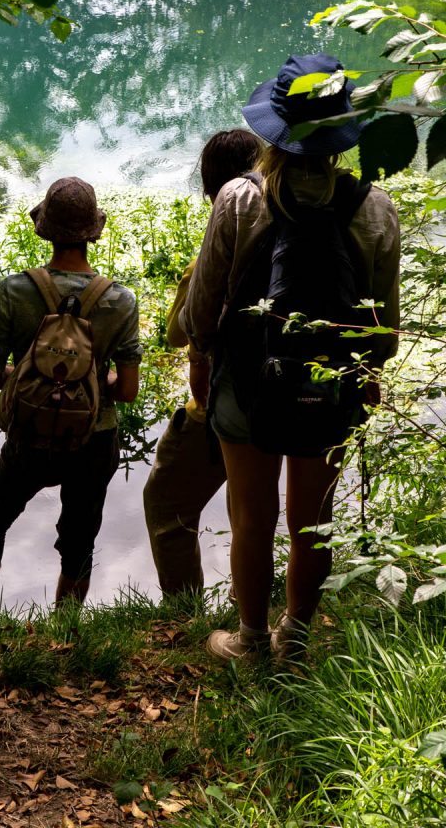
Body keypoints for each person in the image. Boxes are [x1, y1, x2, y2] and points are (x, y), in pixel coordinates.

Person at [180, 54, 400, 661]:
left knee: (252, 517)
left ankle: (249, 637)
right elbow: (382, 324)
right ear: (341, 133)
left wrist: (201, 361)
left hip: (248, 382)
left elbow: (203, 308)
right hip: (333, 384)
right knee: (312, 523)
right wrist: (368, 374)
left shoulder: (238, 199)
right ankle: (294, 639)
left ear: (273, 129)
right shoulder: (375, 207)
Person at [0, 176, 142, 608]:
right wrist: (91, 381)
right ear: (92, 233)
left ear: (45, 229)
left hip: (29, 433)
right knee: (80, 541)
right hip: (93, 439)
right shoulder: (121, 300)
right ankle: (64, 631)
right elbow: (128, 391)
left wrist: (29, 375)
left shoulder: (14, 290)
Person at [143, 129, 262, 595]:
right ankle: (249, 598)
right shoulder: (291, 233)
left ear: (211, 187)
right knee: (250, 504)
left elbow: (179, 333)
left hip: (219, 406)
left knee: (165, 501)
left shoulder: (209, 257)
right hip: (283, 395)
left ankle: (183, 608)